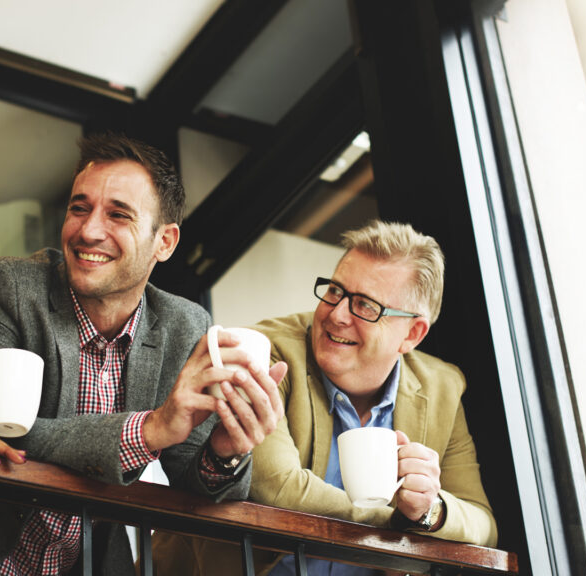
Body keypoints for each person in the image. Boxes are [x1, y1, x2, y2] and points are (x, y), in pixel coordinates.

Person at [0, 132, 288, 575]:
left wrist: (226, 449)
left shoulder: (185, 326)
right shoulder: (1, 287)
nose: (88, 230)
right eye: (79, 208)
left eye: (118, 214)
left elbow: (198, 490)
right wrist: (151, 430)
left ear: (166, 242)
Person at [152, 220, 498, 575]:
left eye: (365, 305)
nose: (336, 314)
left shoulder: (443, 387)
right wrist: (403, 516)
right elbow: (279, 489)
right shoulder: (265, 351)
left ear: (412, 333)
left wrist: (430, 509)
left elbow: (482, 523)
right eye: (335, 291)